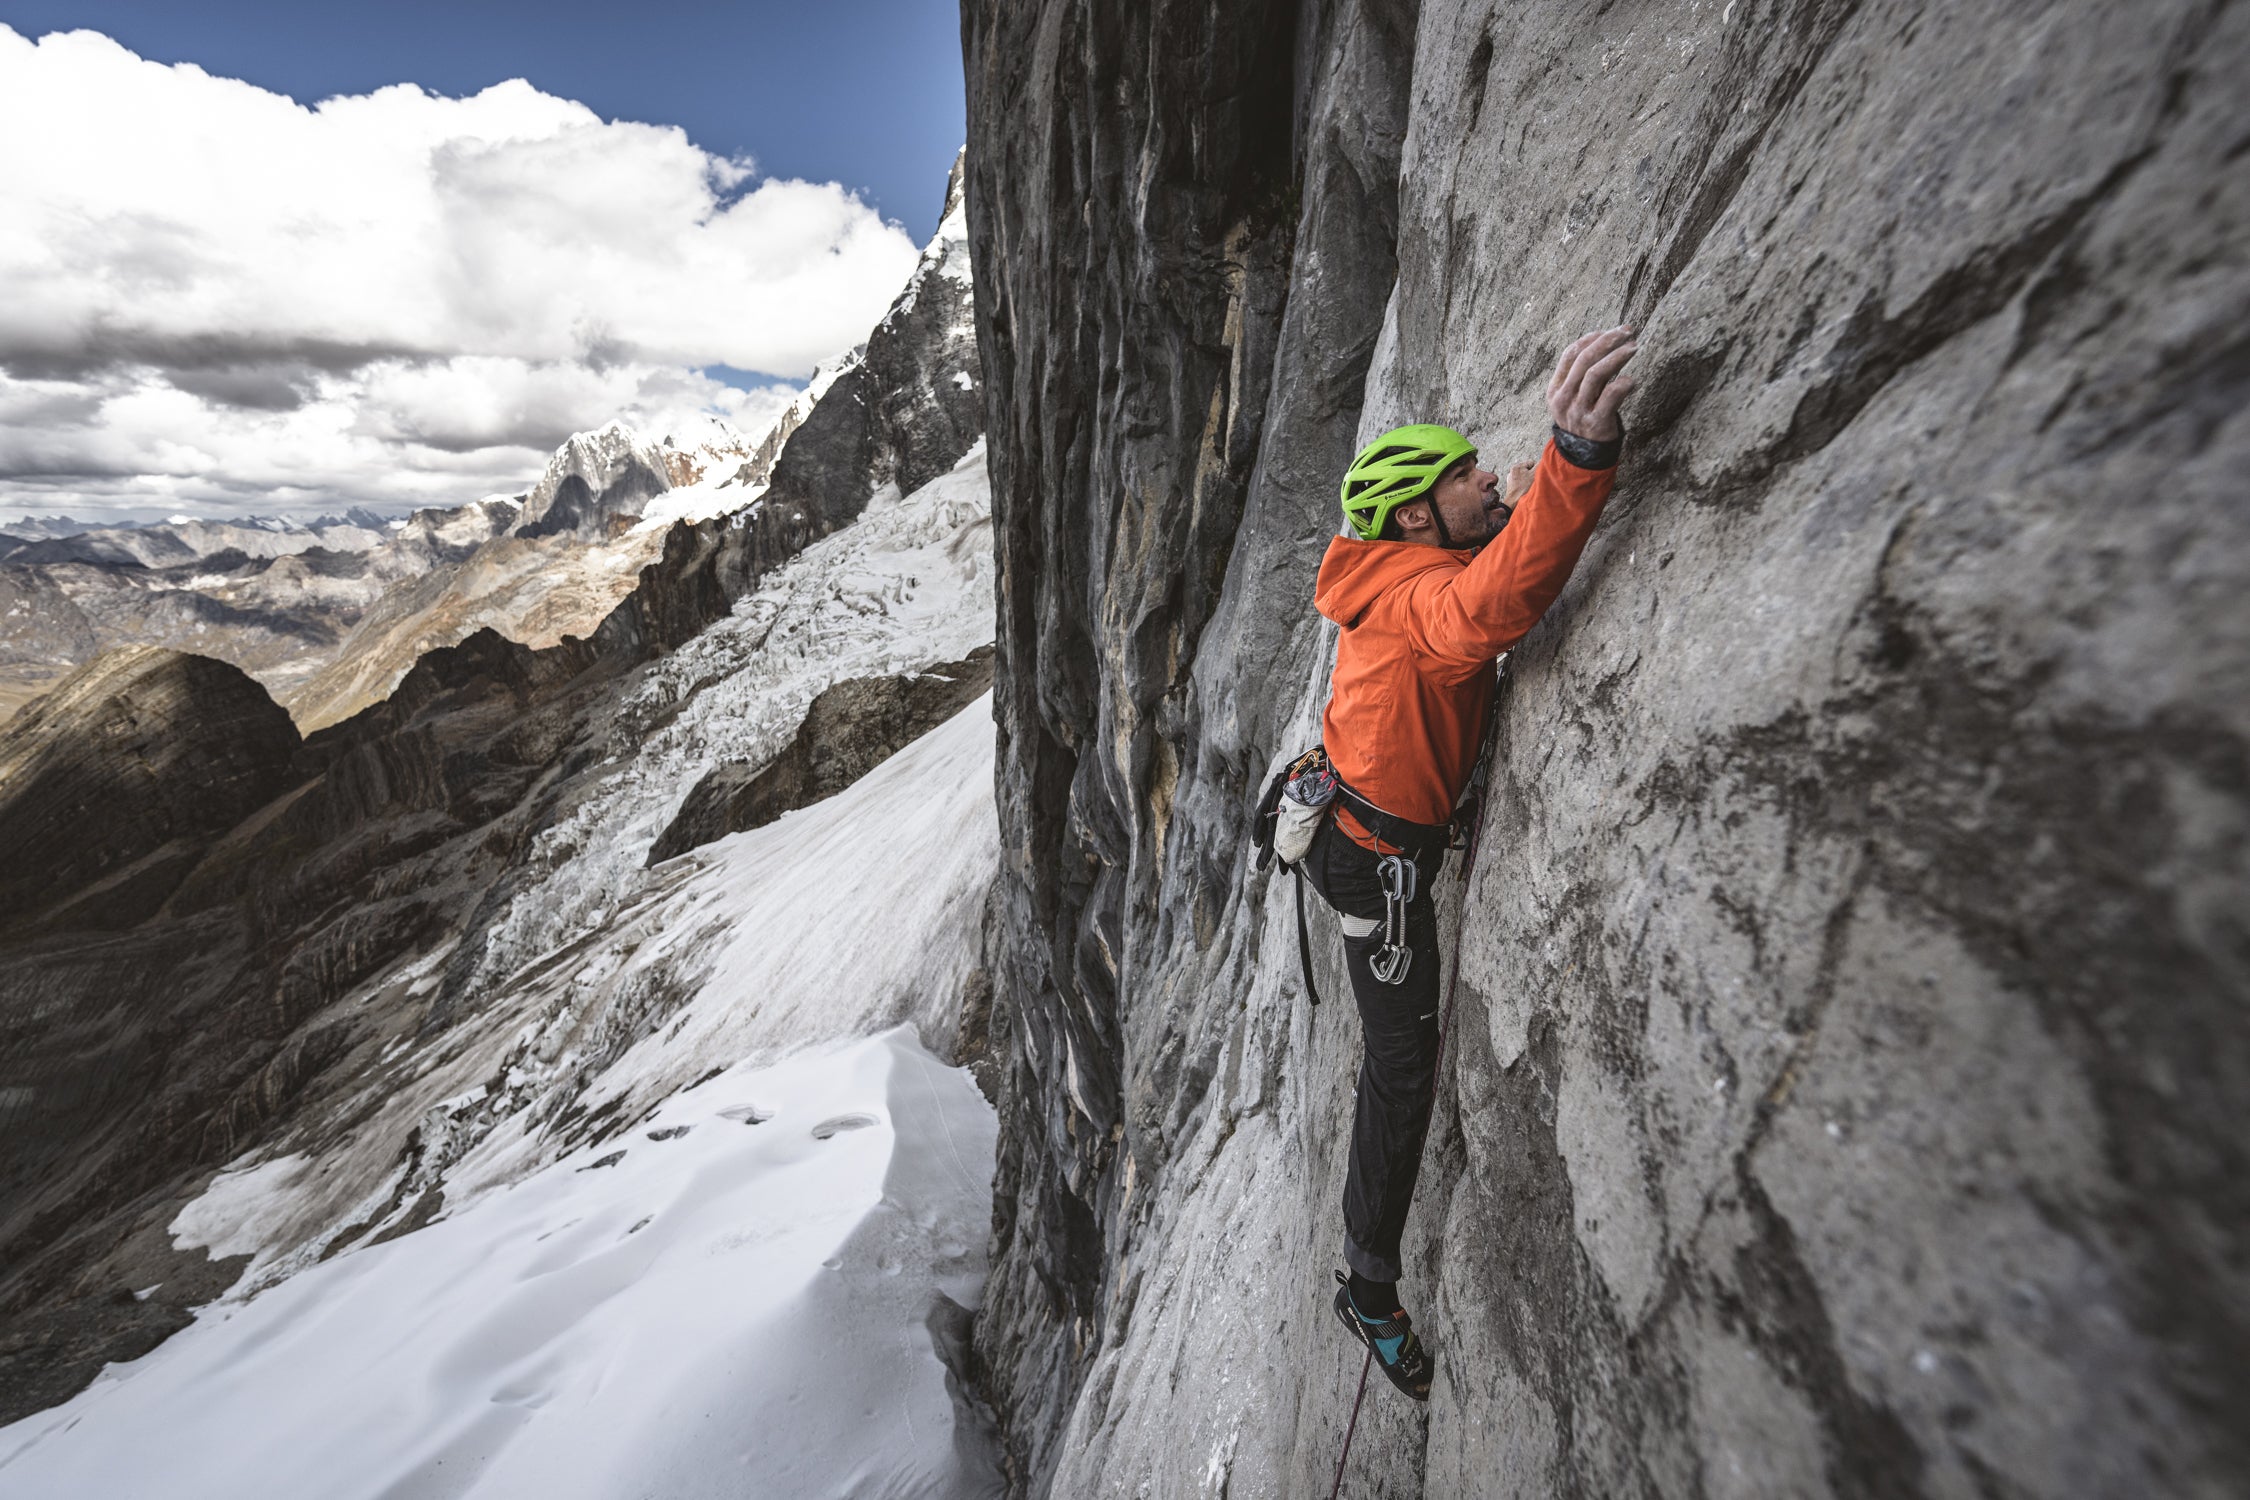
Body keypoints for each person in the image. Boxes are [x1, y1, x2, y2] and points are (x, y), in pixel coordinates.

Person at [1305, 325, 1638, 1399]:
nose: (1490, 479)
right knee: (1400, 1069)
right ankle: (1367, 1287)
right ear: (1416, 514)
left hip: (1361, 830)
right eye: (1466, 476)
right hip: (1376, 870)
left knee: (1396, 1061)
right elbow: (1488, 607)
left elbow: (1484, 575)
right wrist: (1575, 458)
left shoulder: (1401, 567)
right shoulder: (1419, 596)